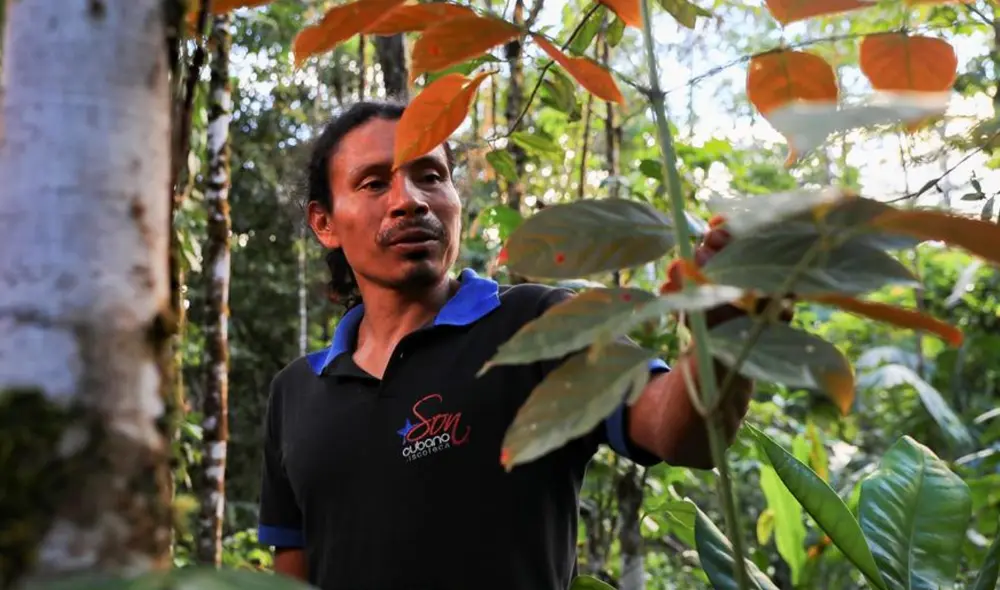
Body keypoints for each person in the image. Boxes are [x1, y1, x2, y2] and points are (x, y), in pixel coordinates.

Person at [257, 100, 759, 590]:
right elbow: (294, 571)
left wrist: (726, 334)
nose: (410, 199)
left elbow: (682, 432)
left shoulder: (542, 324)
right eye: (374, 182)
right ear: (324, 223)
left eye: (431, 175)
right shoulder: (294, 392)